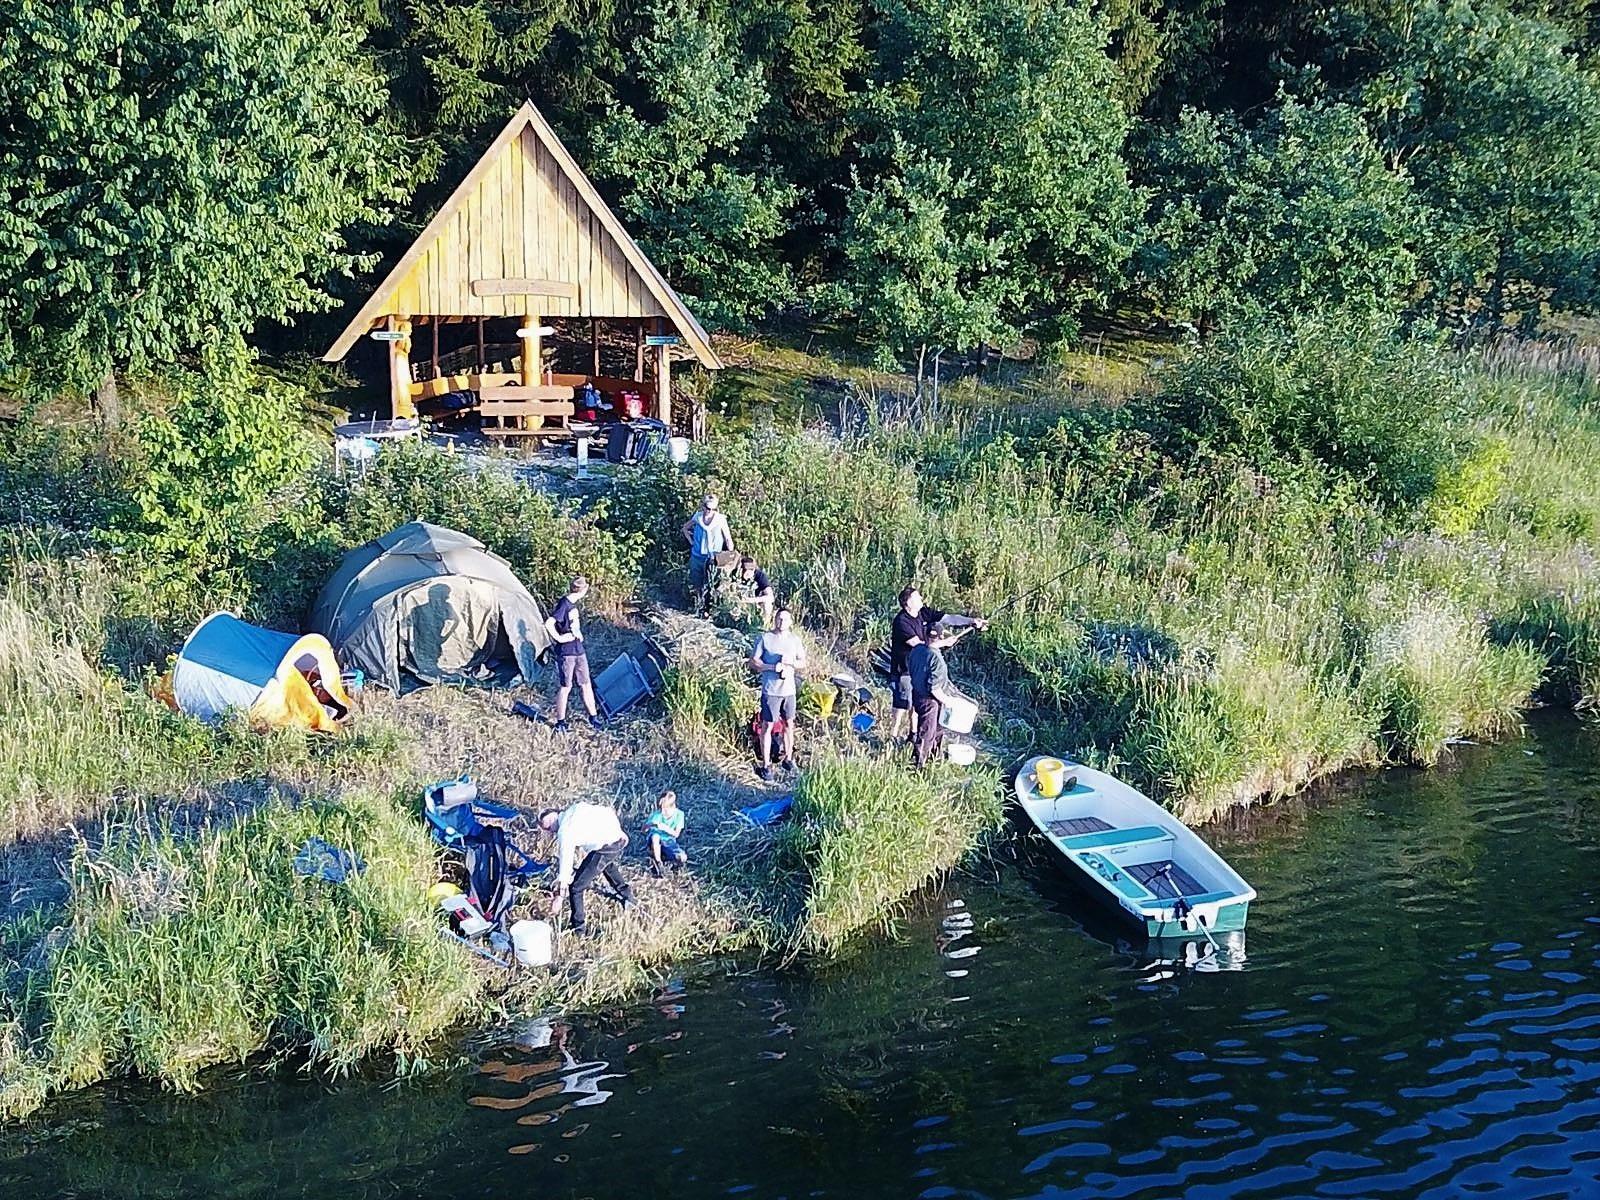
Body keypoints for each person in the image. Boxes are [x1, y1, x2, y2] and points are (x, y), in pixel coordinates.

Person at [889, 587, 985, 740]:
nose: (921, 597)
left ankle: (913, 734)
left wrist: (971, 621)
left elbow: (949, 618)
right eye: (917, 596)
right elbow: (919, 646)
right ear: (908, 602)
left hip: (920, 669)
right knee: (902, 703)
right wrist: (944, 643)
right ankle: (892, 735)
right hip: (904, 669)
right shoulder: (901, 622)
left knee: (916, 703)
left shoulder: (924, 613)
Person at [540, 802, 634, 936]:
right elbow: (607, 811)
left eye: (548, 828)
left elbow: (565, 864)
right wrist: (618, 831)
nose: (550, 831)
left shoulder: (565, 831)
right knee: (607, 865)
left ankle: (579, 930)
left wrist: (559, 897)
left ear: (552, 819)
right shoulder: (575, 807)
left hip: (605, 847)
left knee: (576, 887)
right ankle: (628, 896)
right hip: (616, 840)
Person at [748, 607, 807, 780]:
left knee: (789, 724)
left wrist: (791, 663)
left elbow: (803, 662)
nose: (782, 622)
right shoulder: (765, 638)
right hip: (771, 691)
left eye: (785, 619)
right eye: (779, 619)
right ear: (775, 620)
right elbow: (753, 662)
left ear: (790, 622)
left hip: (789, 691)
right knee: (767, 726)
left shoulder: (795, 640)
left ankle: (788, 759)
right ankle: (766, 766)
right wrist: (771, 667)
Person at [545, 576, 604, 732]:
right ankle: (560, 722)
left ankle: (593, 717)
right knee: (566, 687)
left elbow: (572, 626)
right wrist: (559, 638)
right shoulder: (564, 604)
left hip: (578, 650)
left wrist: (577, 634)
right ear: (583, 590)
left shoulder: (573, 604)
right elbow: (549, 623)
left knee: (586, 684)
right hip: (567, 653)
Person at [908, 638, 960, 768]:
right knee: (927, 732)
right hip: (930, 700)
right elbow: (935, 689)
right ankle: (918, 764)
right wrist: (948, 701)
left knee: (937, 728)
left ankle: (935, 755)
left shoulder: (917, 649)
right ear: (941, 636)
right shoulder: (936, 659)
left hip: (917, 694)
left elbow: (909, 666)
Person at [682, 494, 735, 604]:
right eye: (707, 507)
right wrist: (692, 542)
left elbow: (728, 538)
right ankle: (698, 604)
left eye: (713, 509)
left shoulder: (720, 520)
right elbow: (685, 528)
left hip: (713, 558)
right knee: (697, 582)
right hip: (697, 556)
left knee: (711, 583)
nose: (709, 511)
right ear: (703, 506)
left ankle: (708, 607)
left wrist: (730, 554)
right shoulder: (698, 517)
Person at [644, 790, 688, 876]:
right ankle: (658, 863)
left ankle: (673, 864)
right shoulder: (656, 815)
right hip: (655, 841)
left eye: (665, 809)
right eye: (661, 808)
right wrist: (650, 825)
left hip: (669, 841)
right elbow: (644, 829)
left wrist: (664, 828)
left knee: (682, 857)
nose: (662, 812)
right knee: (655, 836)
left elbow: (676, 834)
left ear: (673, 806)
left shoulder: (679, 815)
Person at [732, 554, 776, 628]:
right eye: (744, 570)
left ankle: (764, 626)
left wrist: (750, 600)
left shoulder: (760, 576)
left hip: (756, 602)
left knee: (767, 604)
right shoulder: (735, 575)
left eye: (750, 570)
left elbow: (771, 597)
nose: (747, 573)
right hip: (740, 602)